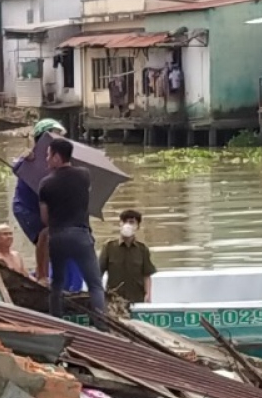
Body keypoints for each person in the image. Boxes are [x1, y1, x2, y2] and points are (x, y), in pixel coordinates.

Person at [38, 137, 105, 319]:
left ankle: (57, 322)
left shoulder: (45, 184)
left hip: (58, 236)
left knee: (57, 283)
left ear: (57, 157)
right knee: (95, 285)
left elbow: (45, 218)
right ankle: (102, 324)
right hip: (80, 235)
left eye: (48, 155)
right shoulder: (84, 175)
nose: (46, 159)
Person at [11, 119, 81, 291]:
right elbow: (16, 166)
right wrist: (26, 159)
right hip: (26, 207)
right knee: (44, 234)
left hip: (45, 207)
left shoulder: (59, 159)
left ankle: (50, 277)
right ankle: (42, 276)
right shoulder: (32, 156)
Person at [99, 209, 155, 314]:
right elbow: (98, 273)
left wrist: (148, 295)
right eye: (124, 222)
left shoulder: (142, 249)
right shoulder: (109, 247)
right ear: (120, 224)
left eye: (132, 222)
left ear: (137, 226)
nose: (127, 225)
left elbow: (147, 274)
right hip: (114, 301)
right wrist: (100, 295)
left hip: (136, 299)